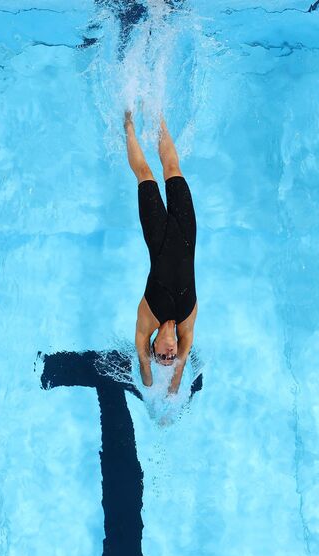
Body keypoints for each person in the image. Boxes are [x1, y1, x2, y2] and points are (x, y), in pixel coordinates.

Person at [125, 111, 197, 393]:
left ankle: (128, 123)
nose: (169, 354)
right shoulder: (187, 321)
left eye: (161, 356)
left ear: (153, 345)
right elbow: (179, 372)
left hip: (157, 234)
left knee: (145, 174)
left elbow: (144, 366)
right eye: (172, 357)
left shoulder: (148, 317)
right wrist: (173, 386)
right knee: (172, 167)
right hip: (187, 231)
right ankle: (157, 114)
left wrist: (148, 375)